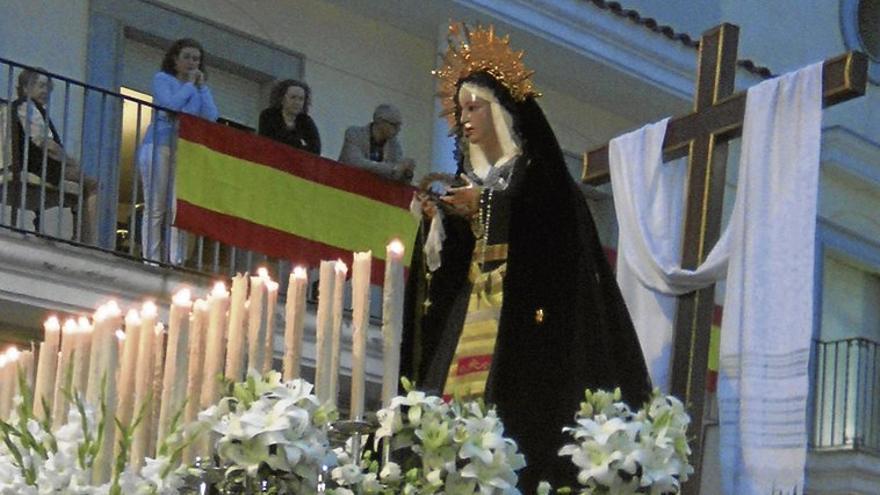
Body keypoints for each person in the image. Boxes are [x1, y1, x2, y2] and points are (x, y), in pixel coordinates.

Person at [404, 24, 652, 491]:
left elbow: (552, 240)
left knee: (513, 418)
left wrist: (487, 205)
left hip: (523, 325)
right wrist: (438, 222)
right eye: (461, 111)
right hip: (472, 312)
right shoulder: (474, 176)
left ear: (501, 112)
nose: (466, 119)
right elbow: (453, 267)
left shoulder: (538, 175)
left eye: (475, 107)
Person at [137, 38, 219, 264]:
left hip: (183, 150)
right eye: (187, 57)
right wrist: (189, 86)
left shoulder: (198, 88)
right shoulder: (162, 79)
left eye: (197, 59)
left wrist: (201, 88)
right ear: (175, 60)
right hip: (158, 145)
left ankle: (175, 260)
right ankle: (151, 260)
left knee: (176, 208)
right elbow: (170, 106)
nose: (193, 63)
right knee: (156, 206)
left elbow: (211, 116)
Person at [11, 69, 97, 242]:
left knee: (81, 180)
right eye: (41, 86)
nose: (45, 92)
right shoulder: (28, 106)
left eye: (47, 88)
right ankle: (87, 240)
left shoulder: (22, 107)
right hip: (38, 164)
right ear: (27, 88)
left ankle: (80, 236)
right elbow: (45, 144)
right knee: (92, 184)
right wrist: (69, 162)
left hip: (32, 162)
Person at [338, 103, 414, 183]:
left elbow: (395, 174)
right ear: (379, 120)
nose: (398, 129)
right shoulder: (354, 133)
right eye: (394, 125)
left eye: (399, 126)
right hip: (345, 184)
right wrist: (393, 168)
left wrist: (406, 172)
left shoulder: (394, 145)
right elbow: (355, 162)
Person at [258, 79, 321, 154]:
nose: (297, 102)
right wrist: (299, 144)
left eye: (301, 99)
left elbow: (315, 150)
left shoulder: (306, 121)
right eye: (293, 97)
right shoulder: (269, 115)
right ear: (282, 99)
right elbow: (267, 141)